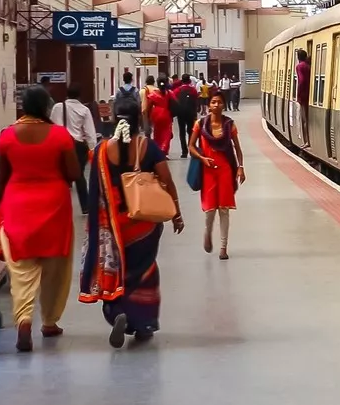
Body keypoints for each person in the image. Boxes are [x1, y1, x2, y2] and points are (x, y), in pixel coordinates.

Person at [80, 92, 184, 347]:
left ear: (114, 119)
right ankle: (143, 324)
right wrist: (177, 212)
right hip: (144, 224)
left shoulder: (102, 150)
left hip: (114, 226)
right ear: (140, 118)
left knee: (118, 270)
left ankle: (118, 313)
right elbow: (167, 180)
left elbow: (95, 191)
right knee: (145, 271)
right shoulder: (147, 146)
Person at [0, 85, 81, 353]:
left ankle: (24, 319)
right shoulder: (60, 136)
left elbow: (1, 177)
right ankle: (50, 321)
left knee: (21, 269)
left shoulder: (7, 136)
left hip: (17, 205)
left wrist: (0, 206)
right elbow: (74, 174)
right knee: (55, 267)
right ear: (44, 106)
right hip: (54, 205)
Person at [194, 90, 244, 258]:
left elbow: (237, 148)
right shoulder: (200, 125)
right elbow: (190, 146)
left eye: (219, 102)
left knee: (224, 209)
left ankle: (223, 247)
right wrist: (202, 158)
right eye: (213, 102)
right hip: (207, 171)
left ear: (223, 105)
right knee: (210, 210)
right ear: (208, 105)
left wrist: (240, 167)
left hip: (225, 170)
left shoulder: (230, 125)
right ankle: (207, 233)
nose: (216, 105)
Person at [53, 84, 100, 208]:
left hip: (60, 144)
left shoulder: (57, 107)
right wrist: (93, 149)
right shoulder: (84, 110)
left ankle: (58, 204)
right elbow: (90, 132)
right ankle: (85, 205)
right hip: (78, 146)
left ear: (67, 94)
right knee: (79, 176)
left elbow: (51, 126)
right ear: (80, 96)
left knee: (60, 175)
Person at [145, 76, 175, 153]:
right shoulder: (169, 93)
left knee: (157, 133)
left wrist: (148, 117)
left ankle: (157, 150)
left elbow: (149, 107)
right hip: (166, 114)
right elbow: (175, 102)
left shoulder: (153, 94)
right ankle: (164, 149)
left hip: (156, 114)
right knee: (167, 133)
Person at [173, 76, 199, 156]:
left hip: (181, 113)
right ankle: (191, 150)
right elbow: (196, 101)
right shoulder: (193, 90)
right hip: (191, 113)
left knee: (182, 132)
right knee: (191, 131)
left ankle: (184, 152)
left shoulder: (177, 90)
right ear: (189, 81)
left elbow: (174, 100)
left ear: (182, 81)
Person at [292, 48, 312, 142]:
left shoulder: (299, 66)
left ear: (298, 57)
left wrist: (299, 95)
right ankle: (308, 140)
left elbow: (302, 80)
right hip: (310, 94)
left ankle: (306, 141)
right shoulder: (308, 66)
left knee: (304, 119)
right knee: (307, 118)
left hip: (303, 95)